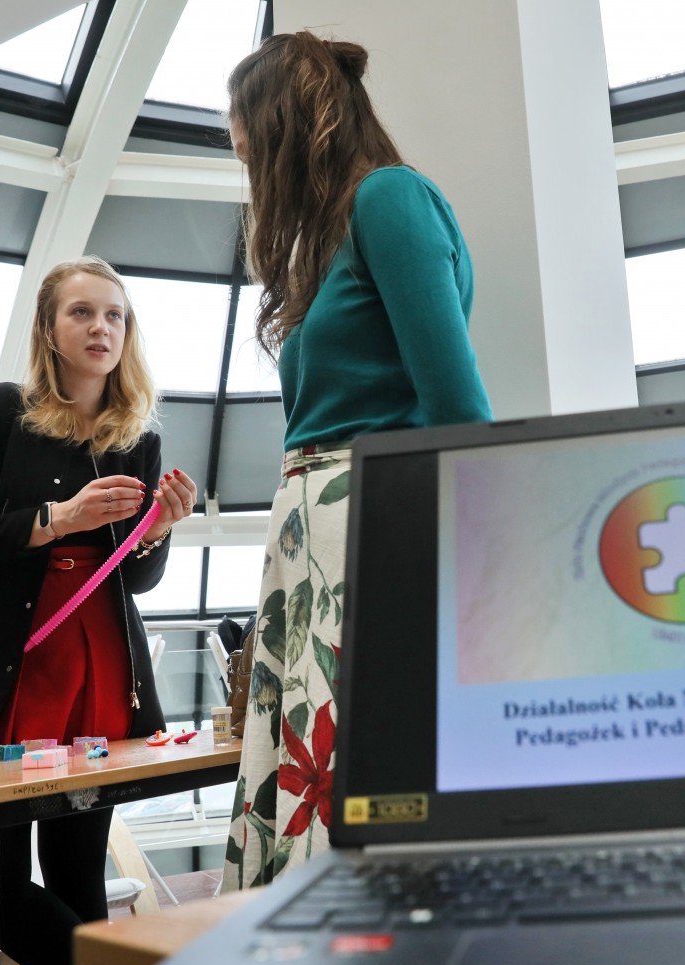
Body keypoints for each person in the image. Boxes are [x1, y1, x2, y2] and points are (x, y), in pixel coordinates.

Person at [220, 32, 493, 891]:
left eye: (244, 136)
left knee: (361, 784)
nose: (241, 157)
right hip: (314, 545)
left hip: (370, 527)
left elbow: (457, 408)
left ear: (284, 125)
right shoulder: (328, 239)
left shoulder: (390, 199)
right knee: (310, 776)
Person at [0, 256, 195, 965]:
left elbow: (133, 582)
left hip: (96, 665)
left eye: (115, 315)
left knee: (77, 872)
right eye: (82, 312)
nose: (102, 328)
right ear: (48, 327)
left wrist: (157, 532)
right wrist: (56, 520)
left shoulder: (139, 436)